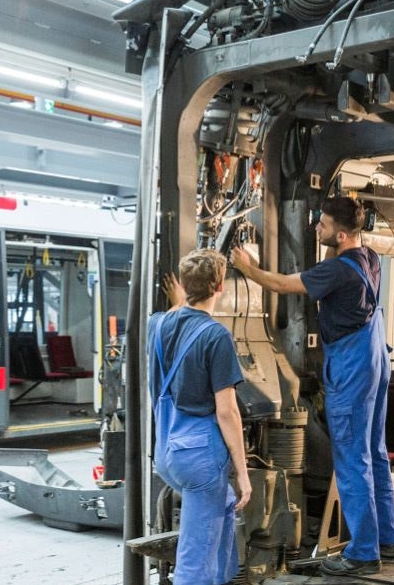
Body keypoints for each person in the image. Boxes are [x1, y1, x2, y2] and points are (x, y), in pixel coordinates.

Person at [232, 197, 394, 576]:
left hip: (352, 367)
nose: (315, 228)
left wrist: (247, 267)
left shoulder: (336, 271)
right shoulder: (369, 258)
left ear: (341, 236)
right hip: (375, 359)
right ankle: (385, 540)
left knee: (352, 459)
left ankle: (363, 553)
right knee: (374, 452)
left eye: (322, 225)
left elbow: (281, 284)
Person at [149, 249, 251, 585]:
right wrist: (243, 472)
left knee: (223, 508)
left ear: (184, 285)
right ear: (220, 286)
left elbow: (177, 317)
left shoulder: (156, 325)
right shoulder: (216, 336)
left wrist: (180, 301)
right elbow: (227, 411)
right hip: (200, 457)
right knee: (196, 560)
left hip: (167, 451)